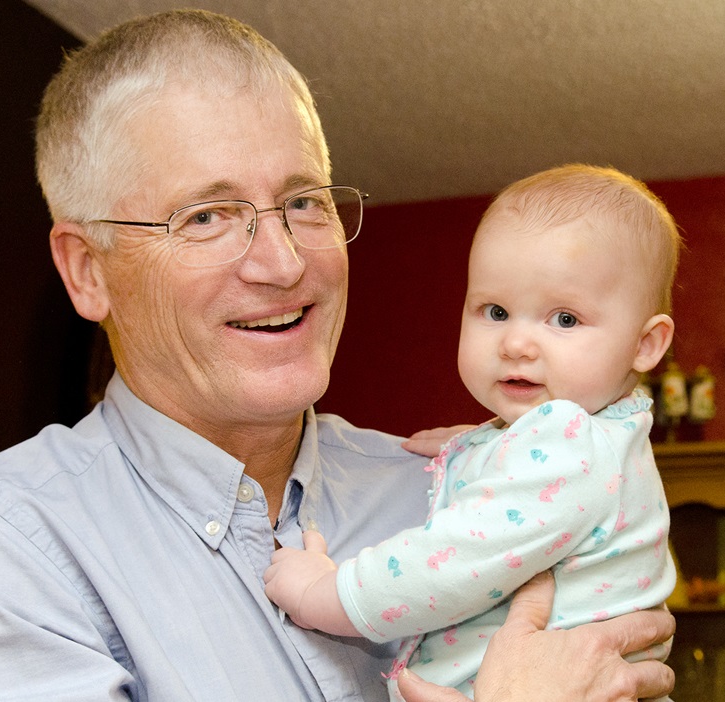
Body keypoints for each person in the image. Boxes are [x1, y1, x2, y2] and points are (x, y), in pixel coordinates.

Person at [0, 9, 675, 701]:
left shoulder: (458, 485)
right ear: (89, 270)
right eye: (208, 216)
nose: (283, 264)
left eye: (303, 202)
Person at [265, 165, 680, 700]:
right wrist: (483, 444)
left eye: (565, 320)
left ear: (646, 344)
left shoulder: (567, 440)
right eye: (497, 310)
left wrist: (328, 592)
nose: (517, 344)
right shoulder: (594, 440)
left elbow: (453, 562)